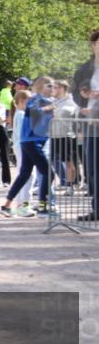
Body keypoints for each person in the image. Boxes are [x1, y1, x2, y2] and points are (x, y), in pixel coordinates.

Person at [0, 76, 56, 217]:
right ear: (41, 87)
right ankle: (43, 208)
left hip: (32, 142)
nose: (52, 89)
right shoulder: (34, 99)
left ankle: (6, 206)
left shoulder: (45, 101)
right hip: (32, 142)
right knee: (49, 173)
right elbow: (32, 111)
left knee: (25, 175)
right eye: (50, 86)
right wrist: (50, 108)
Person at [72, 29, 99, 221]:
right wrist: (82, 96)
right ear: (93, 46)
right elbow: (74, 92)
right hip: (91, 124)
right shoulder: (84, 69)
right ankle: (97, 208)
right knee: (92, 168)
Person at [51, 80, 80, 196]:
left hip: (67, 135)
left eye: (56, 87)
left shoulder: (71, 100)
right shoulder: (53, 101)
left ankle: (71, 185)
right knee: (54, 160)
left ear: (62, 88)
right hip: (54, 135)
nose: (53, 89)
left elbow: (72, 113)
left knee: (69, 162)